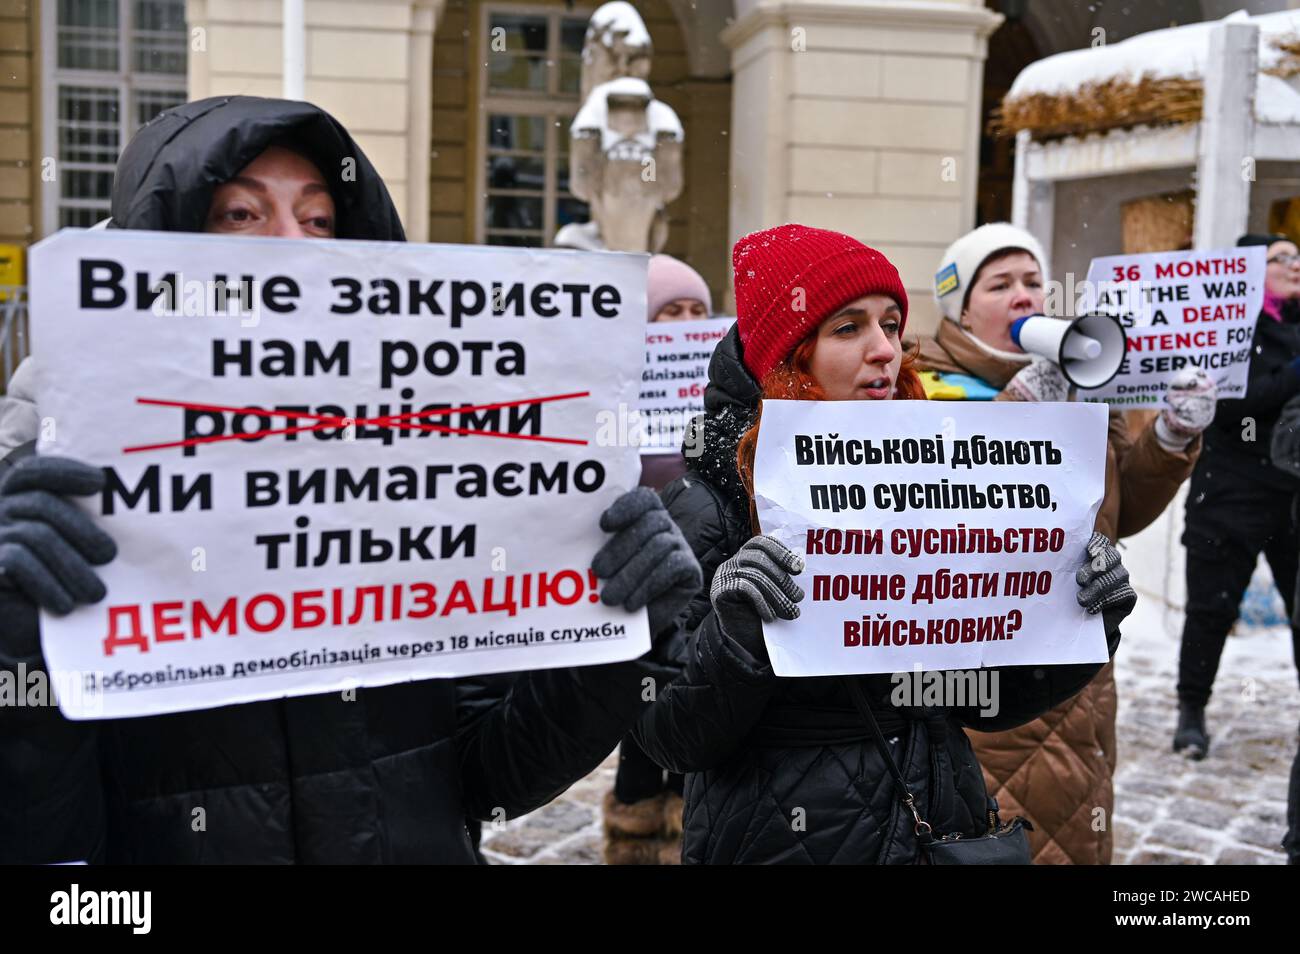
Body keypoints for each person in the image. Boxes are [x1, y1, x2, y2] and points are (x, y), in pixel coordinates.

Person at [0, 96, 703, 864]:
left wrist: (613, 646)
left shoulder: (429, 473)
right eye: (240, 215)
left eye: (320, 220)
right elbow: (46, 846)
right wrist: (14, 642)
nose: (292, 247)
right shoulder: (53, 492)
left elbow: (486, 777)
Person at [632, 223, 1138, 865]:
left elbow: (984, 699)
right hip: (780, 842)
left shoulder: (941, 476)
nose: (885, 350)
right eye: (849, 328)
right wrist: (736, 633)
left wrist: (1078, 618)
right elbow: (667, 734)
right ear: (790, 352)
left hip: (937, 820)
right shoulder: (706, 503)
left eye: (892, 324)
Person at [914, 222, 1210, 865]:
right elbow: (938, 524)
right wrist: (1015, 420)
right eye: (1000, 284)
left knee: (1074, 829)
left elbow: (1118, 514)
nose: (1025, 295)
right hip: (987, 678)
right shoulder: (922, 385)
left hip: (1079, 670)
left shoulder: (1080, 383)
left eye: (1032, 281)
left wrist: (1168, 437)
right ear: (960, 309)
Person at [604, 254, 713, 863]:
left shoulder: (722, 394)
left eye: (698, 312)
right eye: (672, 312)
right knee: (644, 706)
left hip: (708, 576)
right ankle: (636, 832)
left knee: (697, 701)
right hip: (644, 583)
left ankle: (688, 830)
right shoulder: (619, 395)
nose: (688, 323)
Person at [1176, 233, 1300, 760]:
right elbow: (1235, 406)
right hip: (1229, 493)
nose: (1295, 264)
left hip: (1293, 495)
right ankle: (1191, 711)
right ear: (1249, 270)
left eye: (1298, 256)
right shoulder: (1223, 332)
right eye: (1280, 258)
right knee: (1210, 611)